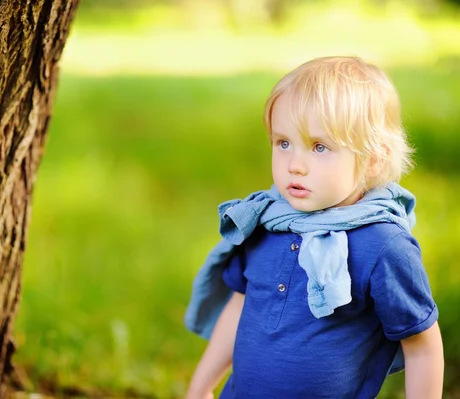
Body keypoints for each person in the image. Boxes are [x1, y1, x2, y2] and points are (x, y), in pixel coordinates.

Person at [184, 56, 444, 399]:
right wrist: (200, 387)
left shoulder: (383, 245)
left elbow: (422, 344)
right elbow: (238, 308)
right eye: (283, 143)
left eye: (320, 147)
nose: (295, 165)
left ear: (373, 159)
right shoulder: (267, 222)